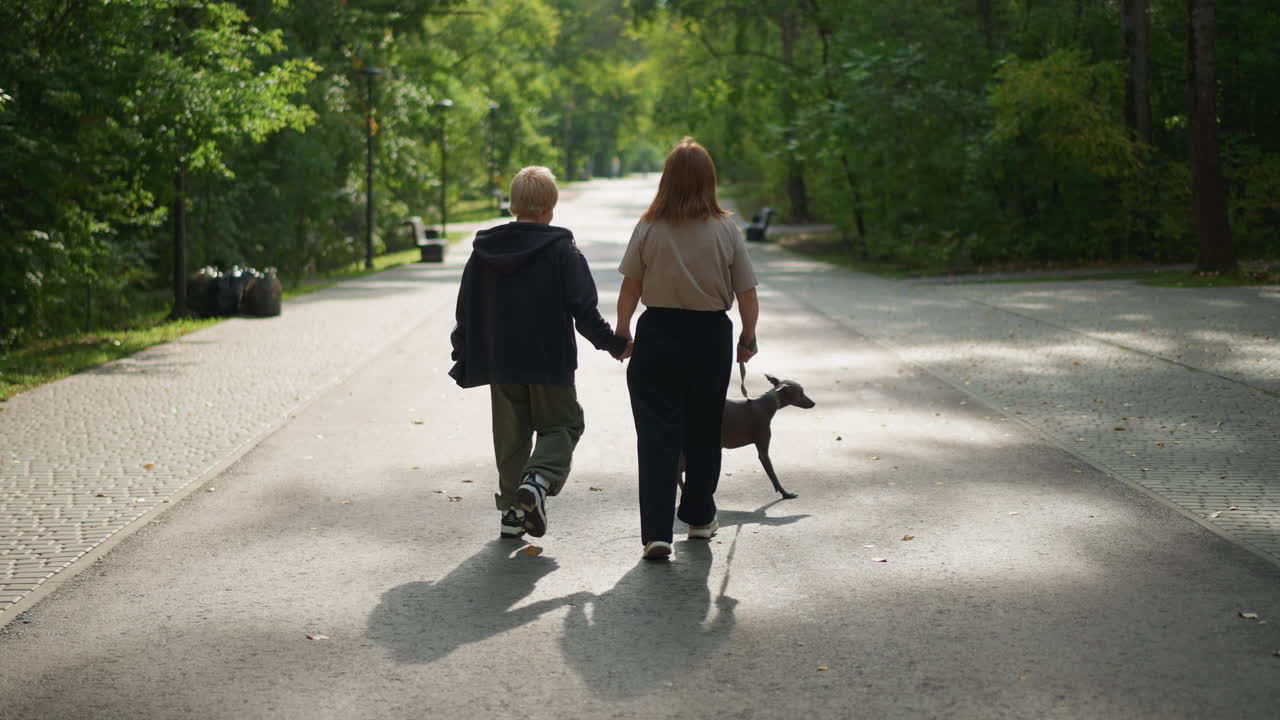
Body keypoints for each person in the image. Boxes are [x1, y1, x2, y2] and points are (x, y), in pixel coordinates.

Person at [449, 166, 628, 540]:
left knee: (511, 437)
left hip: (501, 360)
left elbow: (466, 307)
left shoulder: (484, 253)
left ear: (514, 206)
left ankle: (513, 512)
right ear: (549, 208)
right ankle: (539, 479)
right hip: (549, 360)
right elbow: (584, 309)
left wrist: (463, 347)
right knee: (563, 425)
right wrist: (613, 343)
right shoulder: (561, 250)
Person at [615, 138, 760, 561]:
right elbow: (746, 293)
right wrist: (748, 338)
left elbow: (631, 287)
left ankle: (657, 532)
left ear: (667, 180)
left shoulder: (649, 226)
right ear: (709, 181)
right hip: (709, 335)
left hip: (658, 333)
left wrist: (624, 331)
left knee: (657, 435)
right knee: (703, 429)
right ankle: (698, 517)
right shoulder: (725, 229)